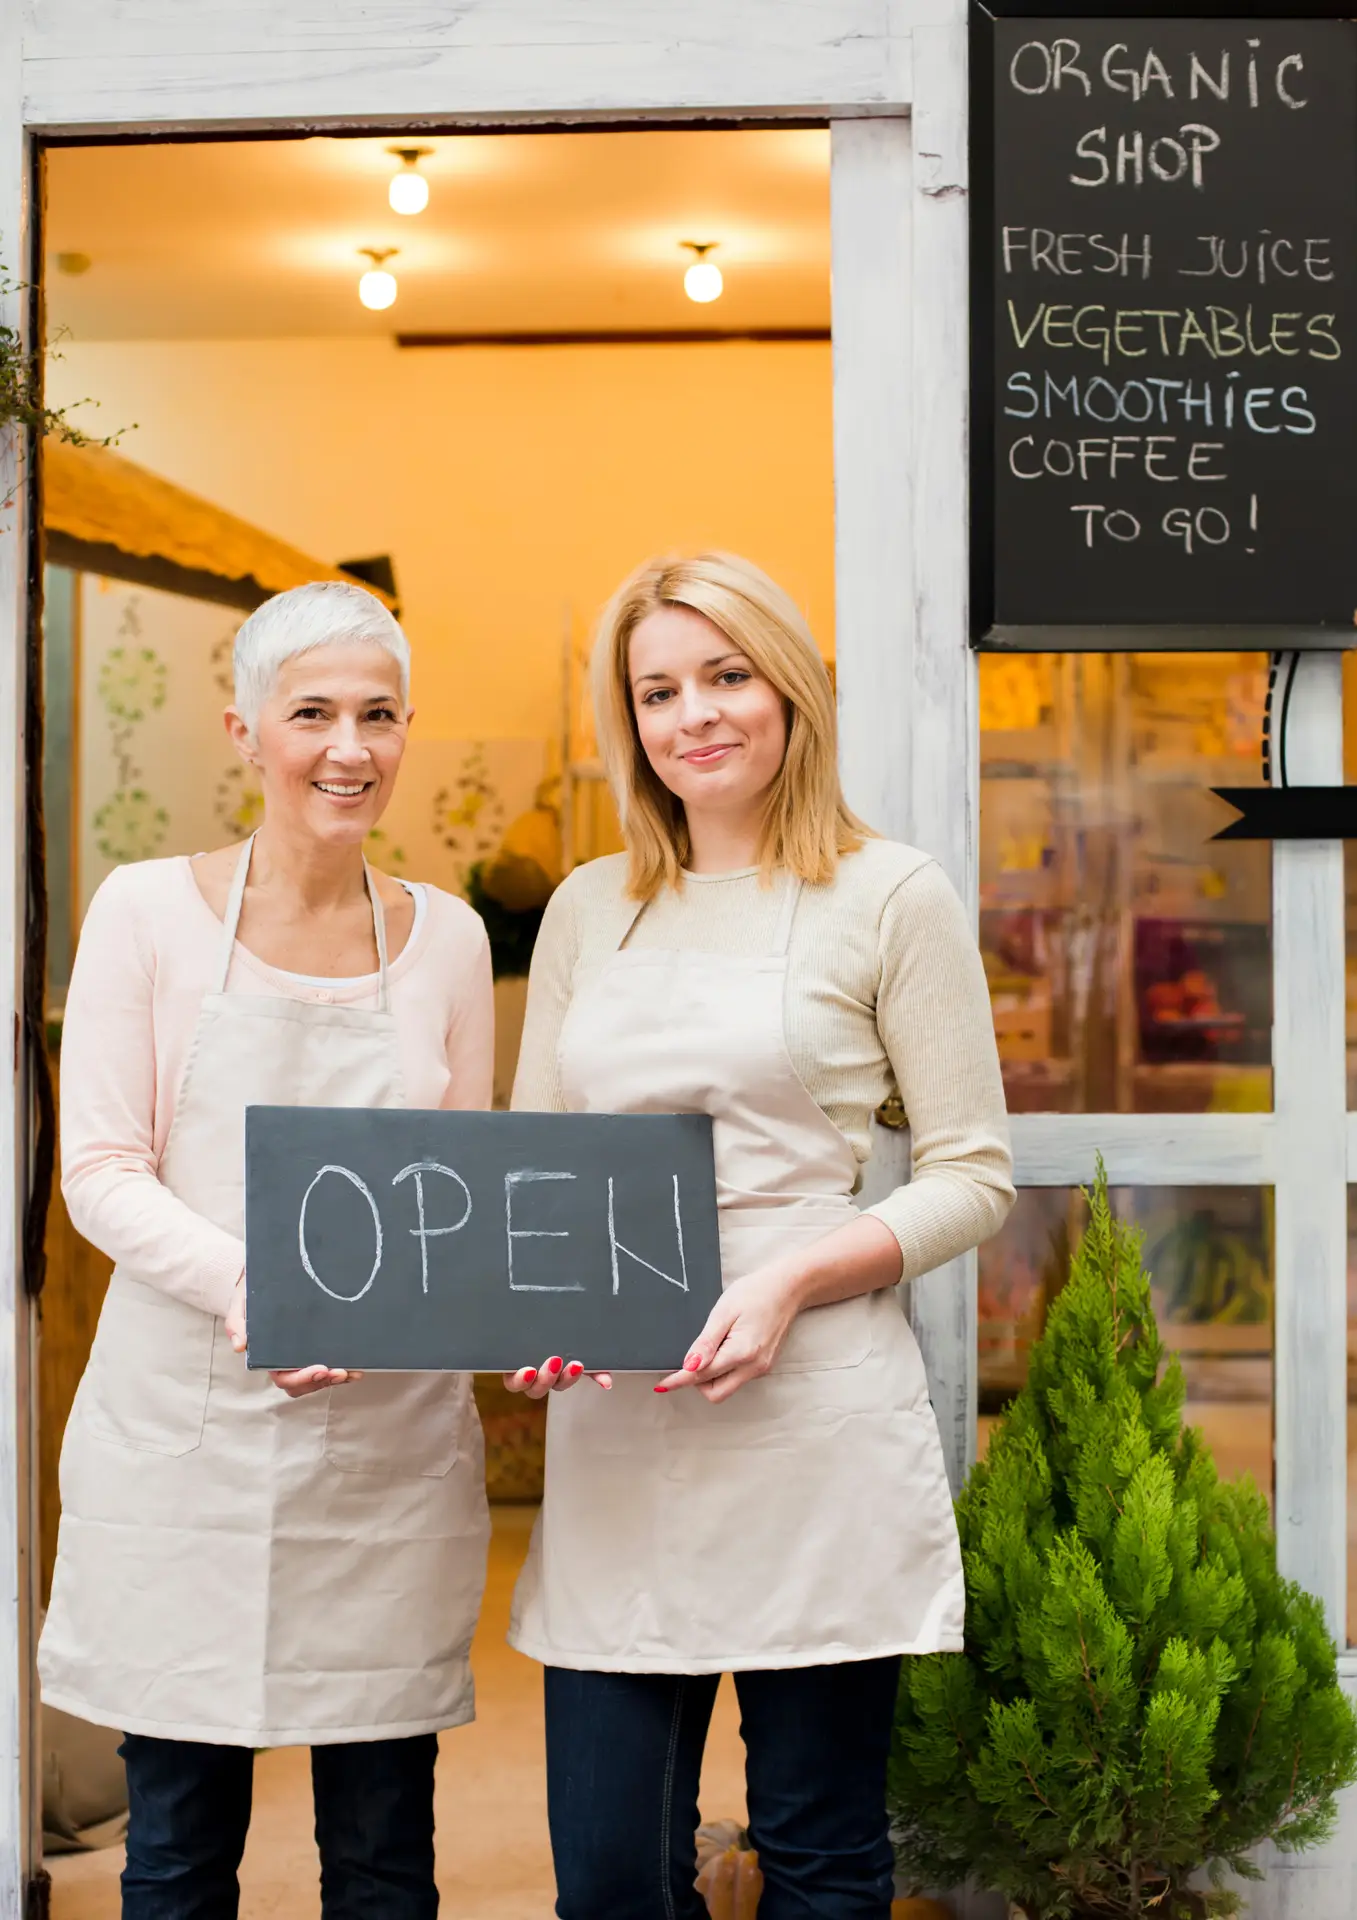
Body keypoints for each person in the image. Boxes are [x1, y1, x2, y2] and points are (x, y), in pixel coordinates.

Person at [504, 552, 1015, 1920]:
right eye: (658, 689)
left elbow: (973, 1174)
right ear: (632, 723)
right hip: (623, 1435)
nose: (697, 715)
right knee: (610, 1880)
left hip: (817, 1430)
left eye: (727, 675)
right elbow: (535, 1173)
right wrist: (531, 1307)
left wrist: (793, 1275)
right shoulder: (586, 908)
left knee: (824, 1860)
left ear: (790, 690)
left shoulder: (888, 895)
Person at [39, 581, 494, 1918]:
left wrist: (514, 1313)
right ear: (243, 731)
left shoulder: (448, 940)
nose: (348, 746)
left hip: (387, 1451)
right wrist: (262, 1293)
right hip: (190, 1443)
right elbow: (102, 1175)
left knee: (380, 1857)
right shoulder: (145, 913)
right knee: (177, 1853)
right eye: (312, 714)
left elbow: (450, 1197)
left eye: (378, 714)